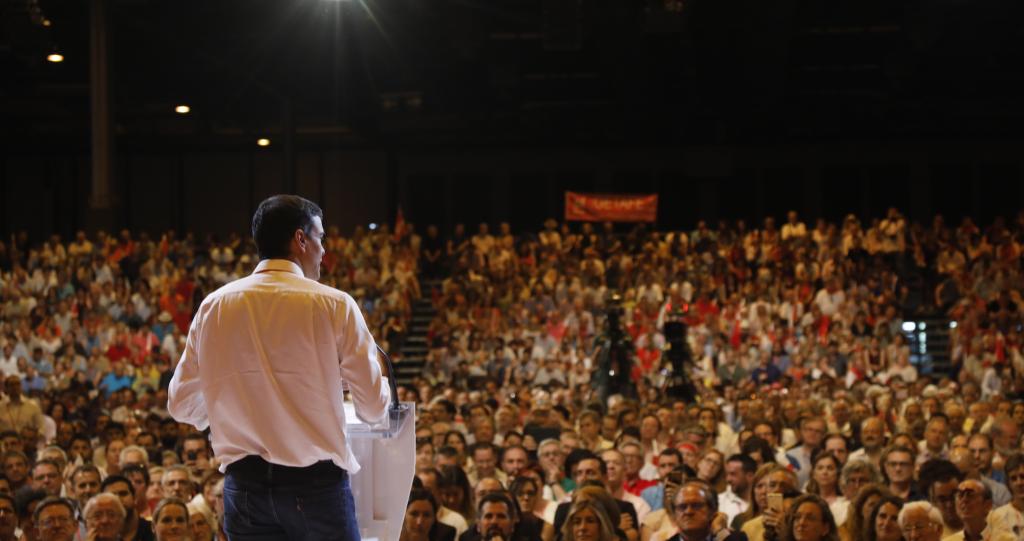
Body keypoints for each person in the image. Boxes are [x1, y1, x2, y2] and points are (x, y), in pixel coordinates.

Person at [167, 194, 391, 540]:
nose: (324, 250)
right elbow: (374, 409)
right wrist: (380, 385)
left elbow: (180, 404)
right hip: (315, 487)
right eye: (320, 238)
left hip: (244, 488)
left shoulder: (214, 306)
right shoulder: (334, 304)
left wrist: (231, 407)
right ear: (300, 239)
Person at [668, 480, 747, 541]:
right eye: (682, 507)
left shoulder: (736, 539)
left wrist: (720, 532)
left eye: (696, 506)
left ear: (712, 511)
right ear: (674, 515)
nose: (688, 512)